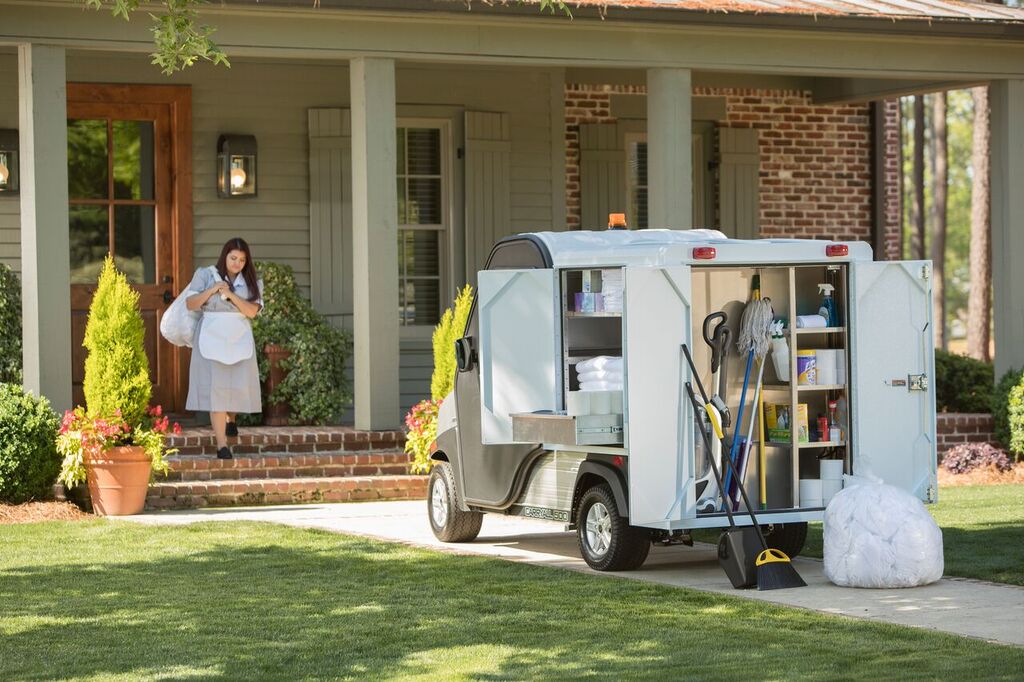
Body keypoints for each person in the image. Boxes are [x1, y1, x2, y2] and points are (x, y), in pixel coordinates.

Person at [186, 238, 263, 459]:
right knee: (216, 390)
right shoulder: (205, 274)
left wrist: (231, 295)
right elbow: (190, 304)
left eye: (241, 260)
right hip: (211, 335)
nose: (237, 263)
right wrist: (212, 290)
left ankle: (232, 419)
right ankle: (222, 446)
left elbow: (251, 312)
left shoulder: (252, 282)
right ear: (224, 256)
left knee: (236, 384)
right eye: (233, 258)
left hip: (238, 335)